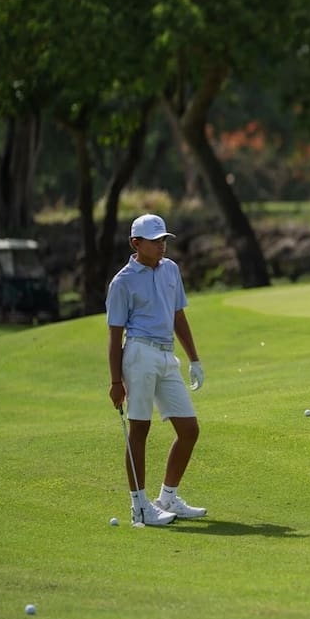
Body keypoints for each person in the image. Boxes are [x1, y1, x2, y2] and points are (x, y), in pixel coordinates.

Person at [106, 214, 207, 526]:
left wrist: (194, 358)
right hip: (138, 354)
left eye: (164, 239)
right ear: (136, 243)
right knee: (140, 430)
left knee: (189, 429)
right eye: (155, 240)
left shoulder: (171, 269)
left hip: (166, 356)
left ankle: (167, 497)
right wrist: (115, 381)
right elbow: (114, 335)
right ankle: (139, 506)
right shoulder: (122, 282)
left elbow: (178, 316)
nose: (162, 245)